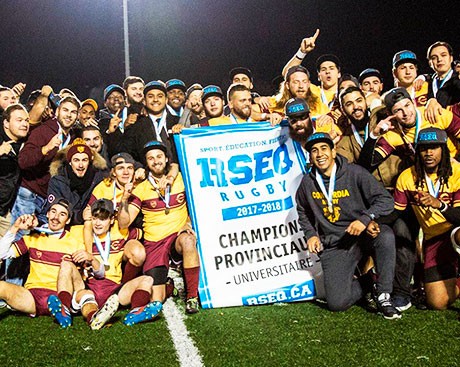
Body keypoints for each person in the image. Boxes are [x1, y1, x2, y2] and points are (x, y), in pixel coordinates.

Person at [295, 133, 399, 319]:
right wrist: (311, 234)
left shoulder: (355, 173)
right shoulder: (307, 183)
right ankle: (369, 282)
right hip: (336, 243)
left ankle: (384, 295)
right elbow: (302, 210)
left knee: (385, 235)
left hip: (362, 235)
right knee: (337, 303)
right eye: (314, 151)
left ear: (334, 151)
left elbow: (386, 200)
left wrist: (365, 218)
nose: (320, 154)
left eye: (324, 148)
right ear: (310, 157)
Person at [118, 141, 201, 314]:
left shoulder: (180, 178)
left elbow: (195, 199)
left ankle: (192, 297)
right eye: (150, 158)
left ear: (166, 159)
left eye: (159, 156)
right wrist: (124, 198)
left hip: (177, 236)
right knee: (157, 298)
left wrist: (187, 223)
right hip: (154, 242)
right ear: (146, 163)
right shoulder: (141, 188)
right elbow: (123, 223)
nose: (156, 161)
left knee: (188, 240)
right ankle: (170, 286)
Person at [394, 127, 460, 310]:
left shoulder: (457, 171)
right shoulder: (407, 177)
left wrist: (439, 204)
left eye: (434, 147)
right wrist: (372, 221)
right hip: (434, 240)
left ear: (443, 149)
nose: (429, 153)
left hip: (454, 231)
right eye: (424, 148)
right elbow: (395, 212)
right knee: (437, 303)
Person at [76, 199, 159, 328]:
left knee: (147, 280)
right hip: (91, 287)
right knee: (84, 296)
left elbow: (149, 232)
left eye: (103, 219)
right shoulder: (81, 232)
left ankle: (135, 312)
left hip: (115, 291)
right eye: (94, 218)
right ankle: (94, 317)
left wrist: (184, 227)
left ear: (112, 220)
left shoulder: (121, 232)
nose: (97, 223)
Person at [0, 199, 85, 320]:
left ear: (68, 220)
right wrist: (15, 228)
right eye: (53, 212)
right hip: (31, 298)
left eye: (62, 214)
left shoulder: (75, 243)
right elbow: (1, 254)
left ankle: (62, 310)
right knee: (1, 286)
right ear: (47, 214)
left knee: (66, 267)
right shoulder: (33, 237)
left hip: (58, 295)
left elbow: (80, 276)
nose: (56, 217)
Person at [13, 95, 81, 226]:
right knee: (20, 238)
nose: (69, 115)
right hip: (29, 194)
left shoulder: (73, 138)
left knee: (36, 243)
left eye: (73, 112)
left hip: (49, 198)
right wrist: (46, 148)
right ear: (57, 112)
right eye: (65, 110)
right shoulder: (43, 131)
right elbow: (23, 161)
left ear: (77, 116)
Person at [47, 138, 108, 225]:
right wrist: (79, 216)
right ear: (70, 162)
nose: (80, 165)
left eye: (84, 160)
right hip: (66, 227)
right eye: (76, 160)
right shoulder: (58, 182)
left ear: (89, 161)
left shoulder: (98, 179)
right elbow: (55, 211)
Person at [0, 104, 30, 235]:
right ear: (6, 123)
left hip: (6, 212)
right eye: (19, 120)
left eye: (26, 120)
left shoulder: (27, 144)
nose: (24, 124)